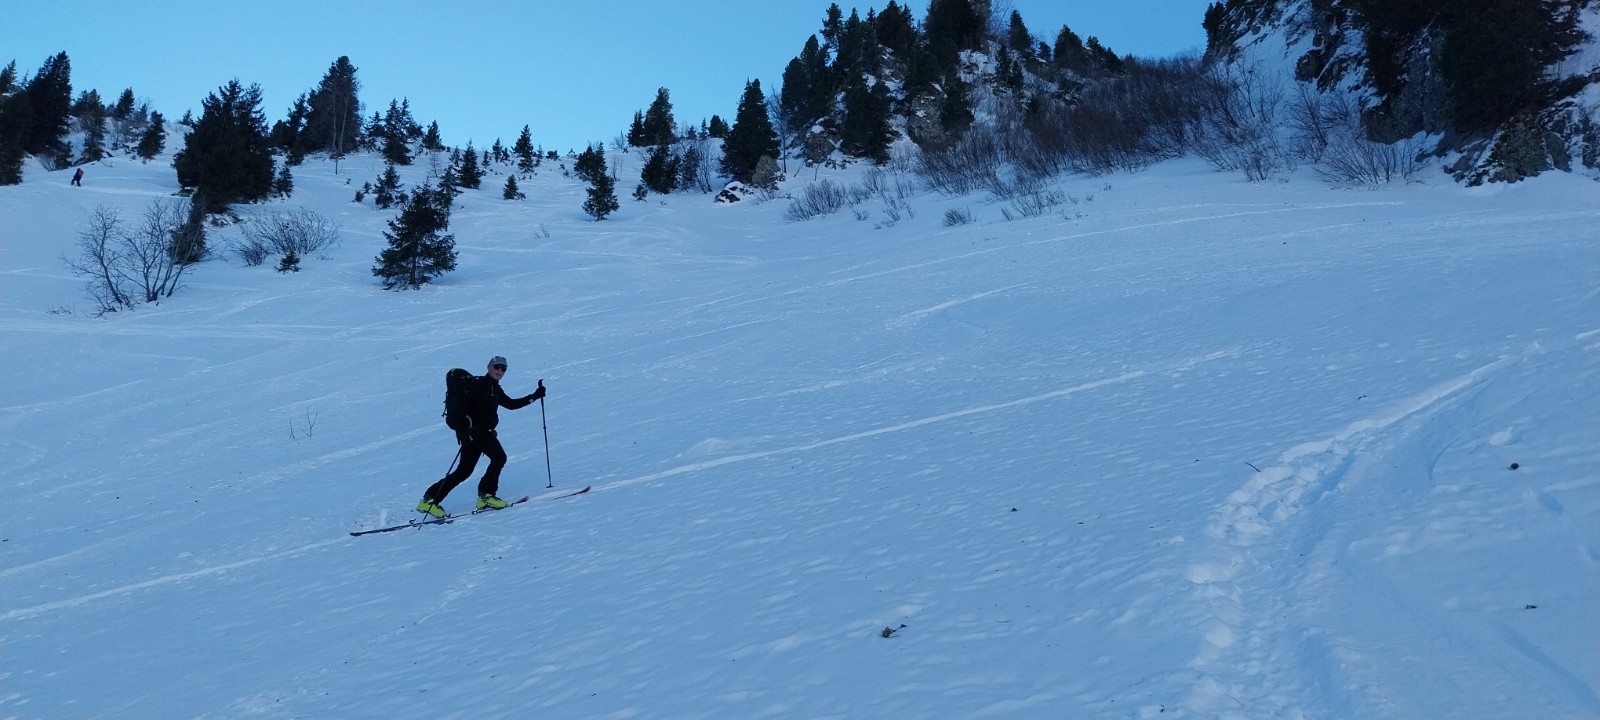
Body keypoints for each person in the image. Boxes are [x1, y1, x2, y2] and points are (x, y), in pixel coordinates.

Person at [417, 355, 546, 517]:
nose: (500, 370)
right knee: (499, 458)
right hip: (477, 431)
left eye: (503, 368)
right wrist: (468, 427)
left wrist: (535, 396)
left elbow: (511, 404)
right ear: (489, 367)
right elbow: (465, 407)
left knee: (463, 472)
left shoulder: (494, 388)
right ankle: (486, 496)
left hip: (472, 433)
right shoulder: (480, 384)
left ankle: (429, 500)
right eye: (497, 366)